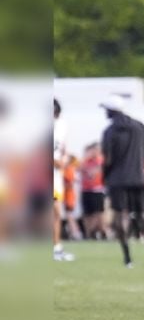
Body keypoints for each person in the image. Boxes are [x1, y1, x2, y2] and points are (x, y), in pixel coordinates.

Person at [100, 94, 144, 268]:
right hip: (137, 178)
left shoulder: (110, 131)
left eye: (106, 110)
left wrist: (103, 176)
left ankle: (128, 258)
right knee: (142, 215)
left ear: (112, 111)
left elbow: (107, 160)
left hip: (117, 180)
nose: (105, 113)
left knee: (120, 216)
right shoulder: (139, 126)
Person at [53, 98, 75, 261]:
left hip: (56, 177)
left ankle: (56, 248)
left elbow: (63, 147)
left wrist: (65, 159)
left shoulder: (61, 125)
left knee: (56, 212)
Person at [80, 143, 107, 240]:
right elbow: (80, 169)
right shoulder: (86, 161)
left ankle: (101, 231)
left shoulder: (101, 160)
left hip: (97, 190)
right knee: (87, 213)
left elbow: (94, 172)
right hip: (86, 190)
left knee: (98, 212)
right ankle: (89, 233)